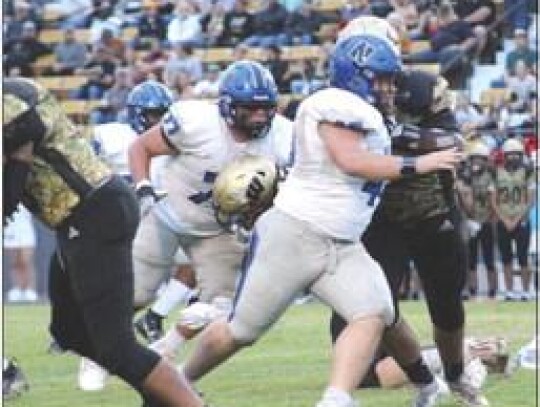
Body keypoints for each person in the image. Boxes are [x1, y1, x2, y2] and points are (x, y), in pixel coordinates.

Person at [179, 34, 462, 407]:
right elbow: (352, 161)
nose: (388, 88)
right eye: (380, 79)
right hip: (296, 233)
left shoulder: (368, 113)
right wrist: (419, 164)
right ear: (356, 76)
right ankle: (175, 381)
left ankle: (341, 398)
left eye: (389, 79)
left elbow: (415, 138)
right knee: (240, 331)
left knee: (375, 311)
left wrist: (442, 141)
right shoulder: (334, 103)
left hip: (342, 242)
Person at [2, 77, 205, 407]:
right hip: (78, 218)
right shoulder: (16, 93)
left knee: (116, 346)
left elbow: (13, 174)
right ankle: (161, 394)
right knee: (67, 329)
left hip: (92, 211)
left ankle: (186, 401)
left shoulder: (13, 101)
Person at [330, 68, 489, 407]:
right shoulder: (365, 110)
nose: (384, 92)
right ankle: (424, 379)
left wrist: (392, 132)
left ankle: (456, 372)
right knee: (378, 302)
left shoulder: (430, 116)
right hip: (385, 221)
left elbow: (449, 142)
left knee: (447, 309)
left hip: (435, 219)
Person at [128, 60, 295, 362]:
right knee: (138, 294)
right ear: (228, 105)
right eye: (250, 108)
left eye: (266, 108)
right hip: (168, 213)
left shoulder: (283, 136)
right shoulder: (194, 120)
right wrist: (143, 187)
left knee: (223, 304)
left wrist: (265, 204)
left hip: (217, 228)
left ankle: (165, 348)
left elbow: (296, 183)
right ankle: (96, 341)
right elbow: (140, 147)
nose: (260, 115)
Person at [77, 79, 198, 393]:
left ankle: (161, 339)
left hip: (168, 219)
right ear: (135, 113)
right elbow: (80, 167)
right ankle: (94, 341)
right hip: (125, 226)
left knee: (206, 279)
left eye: (162, 114)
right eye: (152, 114)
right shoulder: (112, 136)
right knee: (131, 294)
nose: (158, 121)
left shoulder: (177, 137)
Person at [490, 137, 536, 301]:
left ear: (521, 155)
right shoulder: (496, 172)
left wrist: (516, 219)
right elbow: (493, 200)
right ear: (504, 155)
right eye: (509, 154)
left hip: (521, 218)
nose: (513, 158)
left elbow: (531, 199)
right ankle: (509, 291)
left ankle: (526, 290)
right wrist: (504, 218)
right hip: (503, 220)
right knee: (506, 257)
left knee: (523, 257)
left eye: (516, 154)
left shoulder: (528, 171)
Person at [456, 141, 498, 299]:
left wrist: (490, 219)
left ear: (485, 160)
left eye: (480, 158)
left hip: (486, 220)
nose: (477, 162)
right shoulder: (465, 177)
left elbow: (494, 200)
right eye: (474, 158)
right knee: (470, 259)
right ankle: (472, 289)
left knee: (489, 258)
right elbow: (466, 202)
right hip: (470, 221)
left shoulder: (491, 175)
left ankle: (493, 290)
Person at [3, 203, 38, 303]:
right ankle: (17, 288)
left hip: (25, 230)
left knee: (26, 261)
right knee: (14, 262)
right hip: (10, 229)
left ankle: (29, 289)